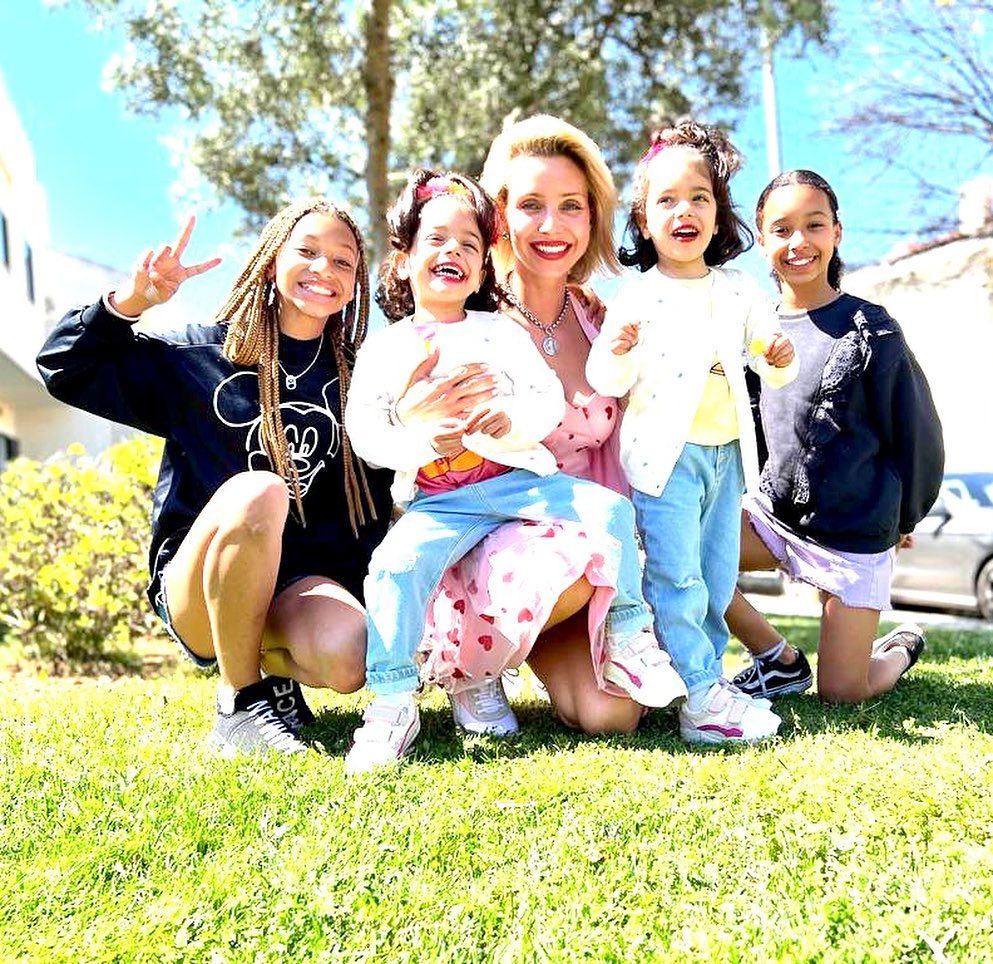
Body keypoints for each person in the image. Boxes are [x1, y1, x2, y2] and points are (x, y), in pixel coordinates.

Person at [343, 169, 686, 773]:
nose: (454, 253)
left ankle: (629, 637)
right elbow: (366, 434)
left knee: (609, 510)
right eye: (437, 242)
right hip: (439, 499)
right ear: (402, 262)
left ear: (482, 268)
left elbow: (546, 397)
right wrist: (423, 440)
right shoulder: (386, 347)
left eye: (470, 246)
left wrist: (512, 419)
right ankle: (393, 700)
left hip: (519, 482)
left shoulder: (498, 330)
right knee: (393, 566)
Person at [36, 203, 394, 756]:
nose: (324, 267)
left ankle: (273, 677)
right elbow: (64, 367)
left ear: (355, 284)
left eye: (343, 261)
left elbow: (381, 494)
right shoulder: (200, 356)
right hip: (200, 590)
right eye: (306, 251)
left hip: (297, 591)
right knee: (260, 490)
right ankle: (241, 703)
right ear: (272, 261)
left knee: (349, 657)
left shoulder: (362, 379)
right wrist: (133, 302)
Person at [415, 114, 650, 737]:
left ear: (593, 217)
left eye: (571, 206)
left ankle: (537, 637)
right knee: (577, 564)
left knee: (612, 717)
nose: (552, 226)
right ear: (499, 218)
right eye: (531, 206)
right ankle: (470, 663)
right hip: (495, 545)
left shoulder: (602, 321)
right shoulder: (469, 320)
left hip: (588, 546)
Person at [587, 120, 798, 745]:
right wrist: (618, 348)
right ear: (645, 222)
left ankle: (701, 683)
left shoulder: (738, 289)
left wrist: (779, 356)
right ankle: (701, 692)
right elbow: (606, 376)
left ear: (718, 213)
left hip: (727, 456)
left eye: (699, 198)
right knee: (676, 577)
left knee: (716, 575)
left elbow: (767, 360)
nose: (685, 211)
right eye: (667, 200)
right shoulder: (639, 296)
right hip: (665, 461)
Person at [726, 169, 944, 704]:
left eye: (814, 225)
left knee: (844, 693)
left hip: (853, 533)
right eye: (781, 229)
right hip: (776, 519)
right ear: (762, 242)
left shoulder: (873, 328)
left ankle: (896, 650)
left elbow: (918, 434)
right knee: (678, 552)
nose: (798, 242)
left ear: (837, 233)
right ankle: (777, 660)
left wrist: (905, 517)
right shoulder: (754, 332)